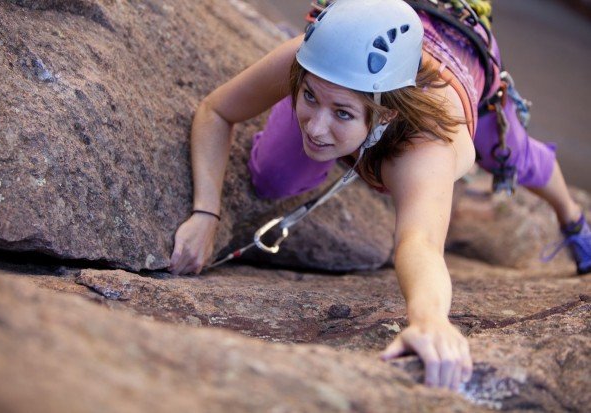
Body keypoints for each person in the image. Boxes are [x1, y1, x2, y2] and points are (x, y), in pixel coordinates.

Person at [168, 0, 591, 390]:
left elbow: (420, 243)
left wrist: (429, 322)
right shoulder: (327, 56)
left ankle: (573, 219)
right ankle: (344, 127)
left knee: (516, 156)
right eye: (309, 97)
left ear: (386, 114)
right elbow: (217, 111)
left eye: (342, 113)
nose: (314, 127)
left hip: (457, 44)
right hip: (385, 31)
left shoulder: (426, 150)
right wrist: (206, 212)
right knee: (271, 178)